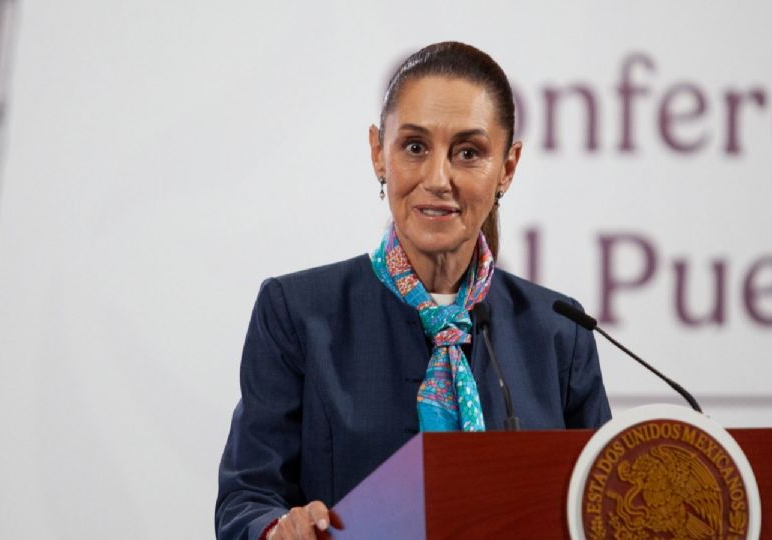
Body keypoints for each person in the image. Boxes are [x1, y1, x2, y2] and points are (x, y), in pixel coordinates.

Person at [215, 41, 611, 540]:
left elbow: (602, 503)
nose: (437, 178)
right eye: (415, 147)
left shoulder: (558, 331)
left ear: (507, 168)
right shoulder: (297, 313)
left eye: (468, 152)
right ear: (379, 154)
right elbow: (245, 501)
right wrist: (276, 529)